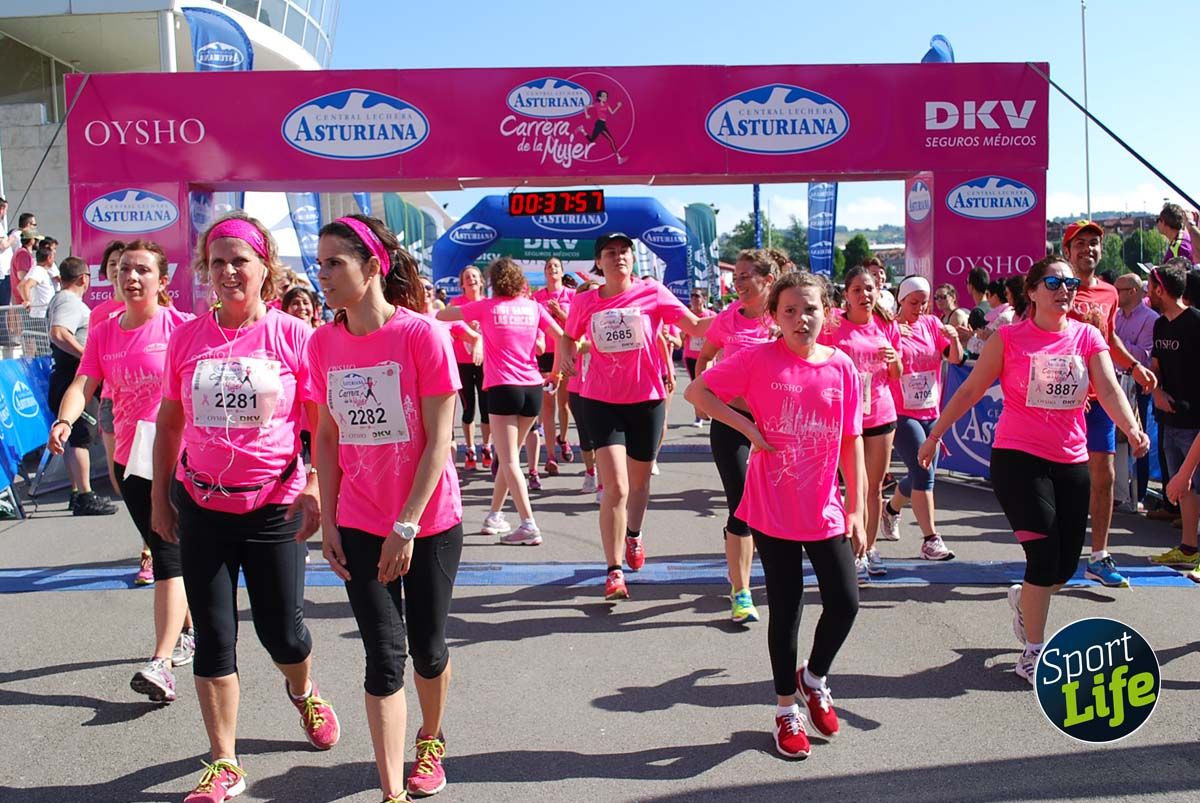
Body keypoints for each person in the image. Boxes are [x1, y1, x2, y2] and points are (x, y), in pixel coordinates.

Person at [151, 213, 340, 802]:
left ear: (266, 268)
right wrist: (160, 496)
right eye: (217, 262)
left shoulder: (292, 335)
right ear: (205, 271)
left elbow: (321, 421)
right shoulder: (186, 336)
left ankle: (303, 691)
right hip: (201, 503)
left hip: (274, 505)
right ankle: (224, 762)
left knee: (283, 635)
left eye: (240, 260)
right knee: (213, 636)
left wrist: (314, 488)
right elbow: (169, 421)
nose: (228, 272)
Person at [918, 257, 1148, 684]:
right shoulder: (1009, 339)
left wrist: (1132, 429)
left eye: (1070, 283)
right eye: (1053, 282)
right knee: (1042, 557)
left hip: (1071, 458)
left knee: (1062, 567)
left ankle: (1026, 600)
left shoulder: (1087, 336)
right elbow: (970, 388)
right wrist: (935, 435)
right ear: (1032, 290)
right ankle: (1034, 651)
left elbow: (1110, 389)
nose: (1064, 289)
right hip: (1018, 458)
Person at [311, 214, 463, 801]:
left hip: (429, 522)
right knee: (383, 655)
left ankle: (431, 736)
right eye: (320, 263)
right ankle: (391, 791)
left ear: (372, 267)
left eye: (334, 263)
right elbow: (326, 436)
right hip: (358, 520)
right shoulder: (323, 342)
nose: (321, 274)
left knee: (427, 650)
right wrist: (328, 516)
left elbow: (439, 438)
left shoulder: (423, 335)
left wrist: (407, 525)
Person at [686, 271, 865, 759]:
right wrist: (745, 424)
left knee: (846, 602)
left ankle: (814, 678)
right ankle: (786, 709)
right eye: (789, 311)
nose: (800, 318)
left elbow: (852, 443)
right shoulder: (757, 359)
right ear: (775, 318)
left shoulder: (842, 367)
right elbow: (697, 394)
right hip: (773, 506)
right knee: (787, 609)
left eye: (809, 308)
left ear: (826, 311)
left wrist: (859, 507)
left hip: (825, 507)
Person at [51, 244, 195, 703]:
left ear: (162, 280)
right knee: (163, 548)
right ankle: (189, 633)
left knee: (169, 558)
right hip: (131, 459)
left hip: (179, 456)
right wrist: (65, 420)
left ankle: (160, 663)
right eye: (123, 269)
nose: (131, 277)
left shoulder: (181, 327)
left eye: (142, 270)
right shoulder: (104, 331)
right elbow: (83, 383)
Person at [560, 232, 715, 600]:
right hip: (601, 400)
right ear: (599, 263)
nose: (619, 257)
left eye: (625, 251)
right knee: (615, 486)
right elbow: (568, 335)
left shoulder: (653, 292)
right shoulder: (585, 302)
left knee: (640, 484)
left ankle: (633, 534)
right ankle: (613, 570)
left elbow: (694, 326)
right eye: (611, 253)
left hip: (647, 400)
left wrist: (744, 316)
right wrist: (565, 354)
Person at [438, 257, 562, 545]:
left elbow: (444, 317)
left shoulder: (487, 307)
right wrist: (556, 371)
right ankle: (494, 515)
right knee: (509, 461)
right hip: (532, 388)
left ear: (493, 281)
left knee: (507, 460)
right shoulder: (534, 307)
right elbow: (561, 335)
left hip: (503, 388)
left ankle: (528, 524)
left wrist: (441, 309)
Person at [1061, 220, 1157, 588]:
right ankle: (1056, 552)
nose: (1088, 249)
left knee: (1105, 476)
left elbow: (1109, 335)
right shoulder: (1057, 289)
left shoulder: (1108, 293)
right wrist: (1072, 388)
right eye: (1080, 243)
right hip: (1062, 401)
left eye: (1094, 244)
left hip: (1099, 398)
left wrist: (1133, 365)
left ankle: (1098, 556)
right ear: (1067, 251)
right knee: (1065, 482)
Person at [694, 250, 779, 622]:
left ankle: (755, 565)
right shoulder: (727, 320)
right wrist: (704, 398)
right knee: (742, 503)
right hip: (732, 421)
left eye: (747, 276)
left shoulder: (783, 318)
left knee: (774, 506)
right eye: (737, 277)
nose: (739, 283)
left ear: (767, 280)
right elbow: (704, 358)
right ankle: (741, 591)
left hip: (777, 426)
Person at [821, 265, 901, 582]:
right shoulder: (831, 326)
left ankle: (868, 550)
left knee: (873, 487)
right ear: (847, 295)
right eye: (857, 290)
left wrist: (895, 360)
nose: (865, 295)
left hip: (880, 413)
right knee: (849, 486)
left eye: (869, 289)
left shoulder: (886, 325)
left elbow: (897, 374)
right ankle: (848, 551)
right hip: (841, 417)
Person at [879, 276, 963, 559]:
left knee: (921, 474)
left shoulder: (931, 324)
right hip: (902, 412)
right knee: (924, 474)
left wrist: (952, 338)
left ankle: (890, 509)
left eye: (923, 302)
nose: (919, 307)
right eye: (913, 302)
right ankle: (931, 540)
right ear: (901, 300)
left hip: (931, 410)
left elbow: (954, 359)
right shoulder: (890, 327)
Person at [45, 257, 117, 516]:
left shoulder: (62, 299)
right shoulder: (69, 300)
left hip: (66, 375)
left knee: (73, 435)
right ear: (83, 278)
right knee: (81, 436)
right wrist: (89, 355)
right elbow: (59, 333)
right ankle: (86, 494)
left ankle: (77, 492)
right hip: (72, 377)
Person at [1146, 261, 1200, 573]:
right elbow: (1156, 365)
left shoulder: (1195, 322)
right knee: (1184, 488)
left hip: (1196, 420)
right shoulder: (1160, 325)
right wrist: (1156, 391)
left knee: (1196, 484)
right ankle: (1189, 548)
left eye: (1150, 287)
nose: (1147, 292)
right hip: (1170, 419)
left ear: (1161, 289)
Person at [1113, 273, 1157, 511]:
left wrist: (1116, 344)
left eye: (1118, 290)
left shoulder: (1150, 319)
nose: (1114, 294)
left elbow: (1144, 356)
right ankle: (1119, 491)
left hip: (1137, 385)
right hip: (1115, 381)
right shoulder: (1116, 316)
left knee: (1137, 438)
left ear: (1132, 291)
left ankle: (1138, 492)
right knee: (1116, 440)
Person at [532, 257, 576, 475]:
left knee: (564, 404)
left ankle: (563, 438)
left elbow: (577, 326)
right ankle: (550, 456)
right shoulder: (537, 297)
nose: (552, 270)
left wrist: (559, 313)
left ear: (562, 271)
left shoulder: (571, 295)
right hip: (545, 355)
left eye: (556, 267)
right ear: (545, 272)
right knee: (547, 407)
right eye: (548, 267)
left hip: (566, 352)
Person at [451, 266, 491, 472]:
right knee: (468, 408)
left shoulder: (488, 304)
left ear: (481, 281)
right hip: (462, 362)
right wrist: (468, 328)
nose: (471, 280)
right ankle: (469, 448)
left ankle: (486, 447)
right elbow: (450, 329)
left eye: (474, 276)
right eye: (467, 277)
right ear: (462, 284)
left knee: (486, 407)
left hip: (485, 361)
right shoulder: (456, 304)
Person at [566, 280, 601, 495]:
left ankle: (603, 483)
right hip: (578, 386)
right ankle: (590, 472)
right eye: (588, 295)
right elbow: (571, 342)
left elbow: (590, 343)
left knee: (603, 438)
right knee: (585, 435)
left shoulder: (608, 319)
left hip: (602, 387)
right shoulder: (576, 320)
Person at [683, 287, 716, 426]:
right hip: (691, 356)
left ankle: (709, 410)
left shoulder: (711, 315)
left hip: (708, 356)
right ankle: (699, 415)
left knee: (709, 386)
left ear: (704, 299)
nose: (694, 299)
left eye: (697, 296)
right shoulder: (688, 316)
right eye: (692, 296)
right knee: (695, 385)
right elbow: (682, 336)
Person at [577, 89, 626, 164]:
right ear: (599, 98)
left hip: (603, 124)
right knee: (611, 140)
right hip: (599, 124)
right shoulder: (597, 104)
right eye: (603, 96)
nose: (605, 97)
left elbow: (612, 113)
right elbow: (585, 106)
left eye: (606, 96)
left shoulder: (607, 104)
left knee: (591, 140)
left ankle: (582, 130)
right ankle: (619, 158)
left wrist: (618, 106)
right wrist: (586, 114)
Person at [934, 283, 971, 350]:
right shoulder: (943, 316)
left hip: (963, 356)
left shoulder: (957, 315)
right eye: (936, 297)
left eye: (943, 297)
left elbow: (947, 340)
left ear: (953, 297)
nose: (939, 300)